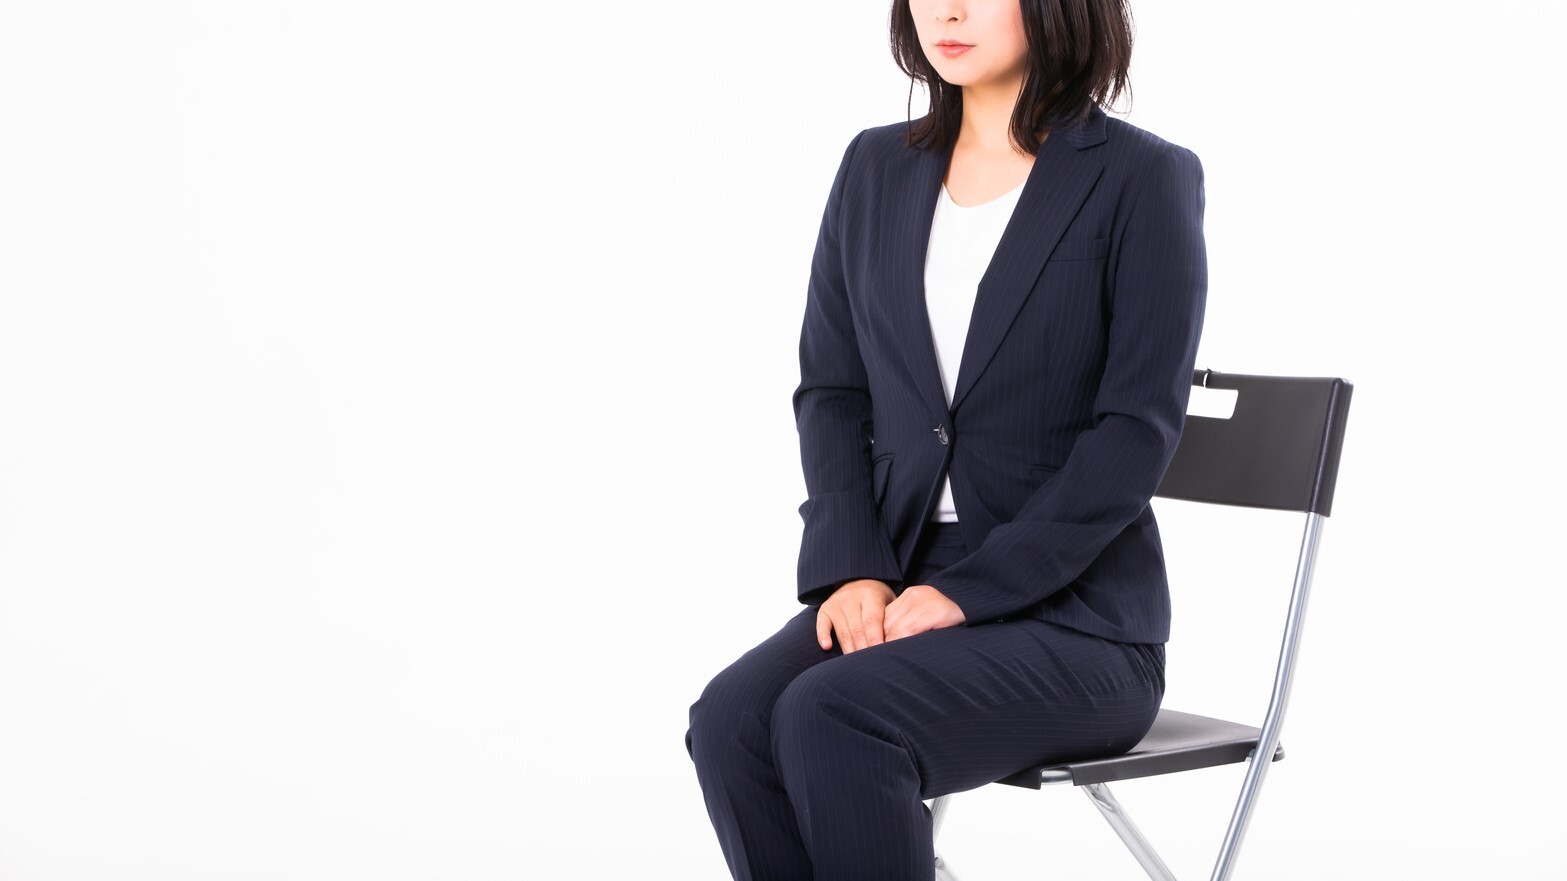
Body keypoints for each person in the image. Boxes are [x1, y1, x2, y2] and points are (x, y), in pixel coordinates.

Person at [685, 0, 1206, 878]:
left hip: (1078, 618)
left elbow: (1135, 429)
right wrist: (852, 567)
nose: (948, 10)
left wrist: (971, 591)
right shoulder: (874, 167)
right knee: (733, 720)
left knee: (832, 714)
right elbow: (834, 390)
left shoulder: (1141, 176)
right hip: (896, 576)